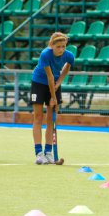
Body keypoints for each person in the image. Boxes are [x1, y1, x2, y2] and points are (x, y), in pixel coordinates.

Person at [31, 32, 74, 164]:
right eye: (58, 47)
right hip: (39, 83)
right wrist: (53, 97)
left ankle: (48, 152)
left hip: (54, 84)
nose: (61, 50)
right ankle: (39, 153)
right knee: (38, 117)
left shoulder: (69, 55)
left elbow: (66, 68)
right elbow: (49, 77)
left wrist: (59, 83)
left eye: (63, 46)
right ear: (52, 45)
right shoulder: (45, 54)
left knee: (51, 119)